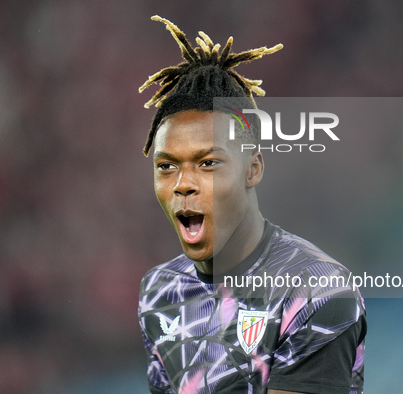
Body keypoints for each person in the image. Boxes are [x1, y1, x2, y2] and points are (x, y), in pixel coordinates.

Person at [137, 16, 366, 394]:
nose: (183, 185)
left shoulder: (316, 291)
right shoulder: (159, 292)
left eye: (208, 163)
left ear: (253, 168)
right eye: (166, 166)